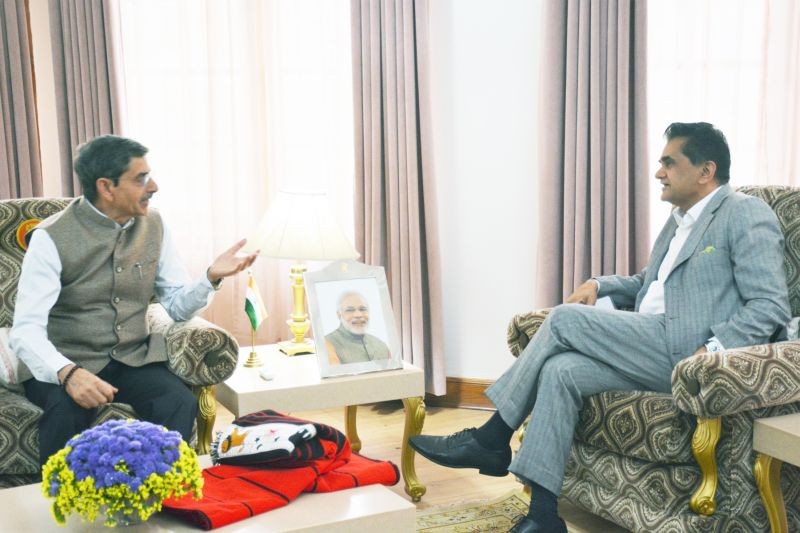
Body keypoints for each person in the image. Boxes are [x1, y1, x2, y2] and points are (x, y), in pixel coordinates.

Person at [409, 122, 791, 533]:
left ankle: (491, 437)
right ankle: (542, 516)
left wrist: (713, 349)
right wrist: (599, 283)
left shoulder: (744, 213)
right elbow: (649, 284)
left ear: (705, 170)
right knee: (561, 371)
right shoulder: (678, 221)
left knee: (564, 319)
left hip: (690, 355)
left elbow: (770, 305)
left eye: (669, 162)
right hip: (650, 343)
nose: (659, 172)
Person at [9, 135, 258, 466]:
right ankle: (60, 507)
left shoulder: (154, 224)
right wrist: (68, 373)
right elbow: (25, 330)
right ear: (106, 187)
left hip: (131, 358)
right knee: (64, 413)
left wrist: (210, 277)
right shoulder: (50, 238)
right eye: (140, 178)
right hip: (66, 363)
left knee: (177, 401)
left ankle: (161, 492)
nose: (153, 186)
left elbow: (177, 306)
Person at [324, 291, 390, 364]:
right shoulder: (327, 344)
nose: (358, 315)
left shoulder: (381, 345)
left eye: (362, 309)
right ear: (339, 315)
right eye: (350, 310)